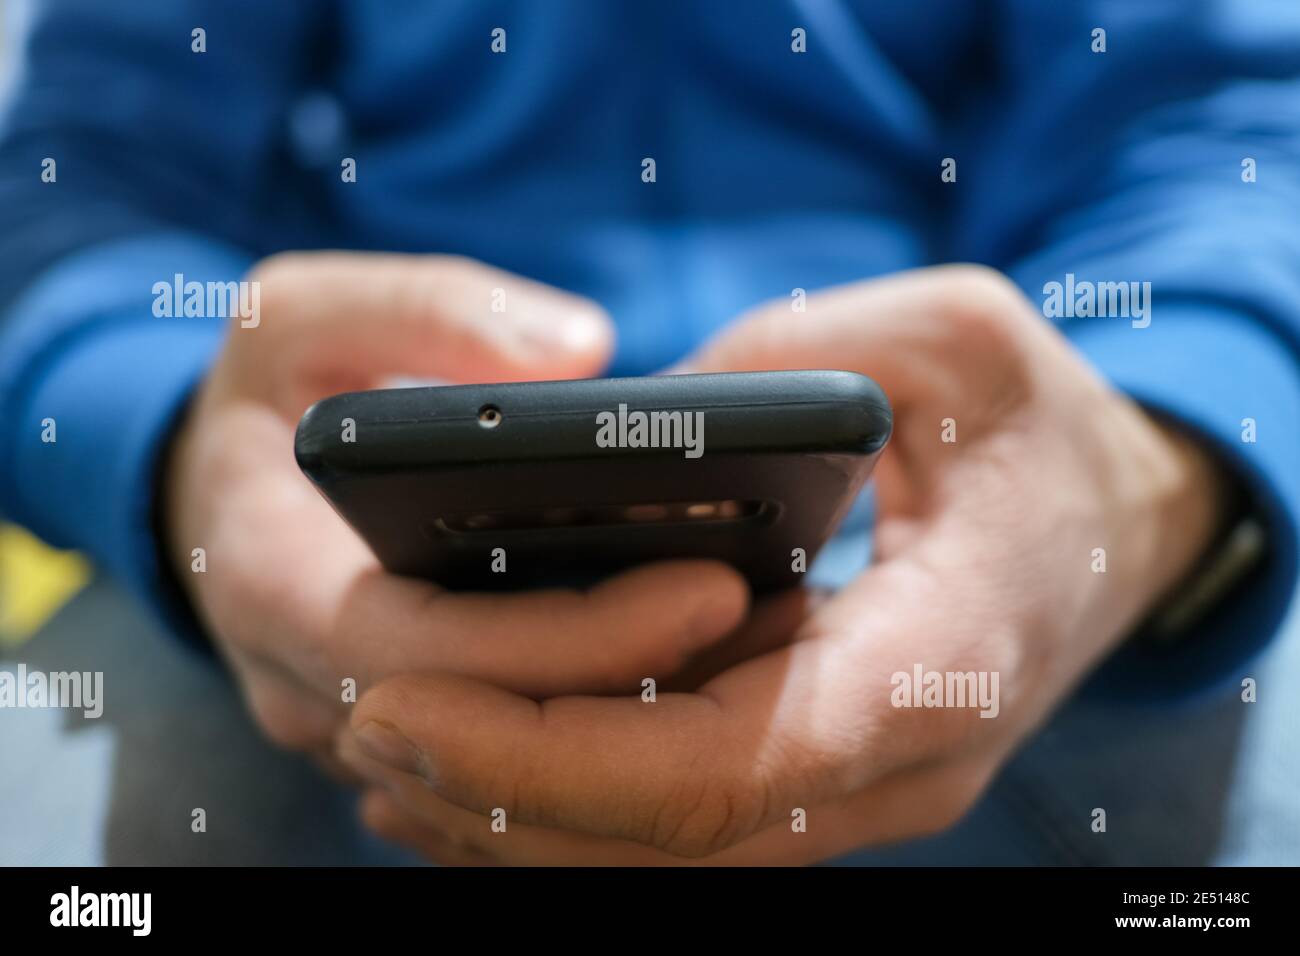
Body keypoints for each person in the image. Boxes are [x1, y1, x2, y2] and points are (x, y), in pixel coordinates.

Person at [1, 1, 1297, 865]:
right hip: (332, 560)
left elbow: (1223, 130)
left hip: (974, 510)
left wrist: (1154, 469)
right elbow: (80, 181)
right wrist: (181, 457)